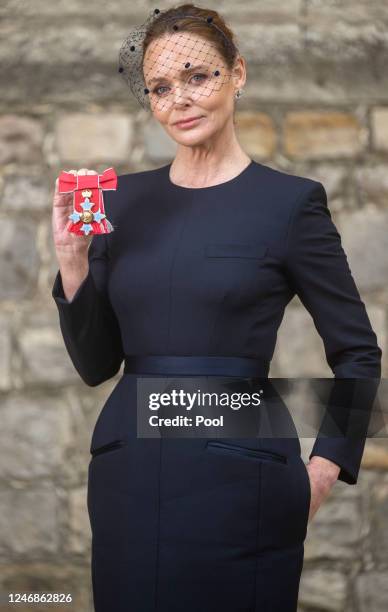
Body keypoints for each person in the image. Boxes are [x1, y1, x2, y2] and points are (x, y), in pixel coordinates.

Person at [51, 4, 382, 611]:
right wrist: (73, 260)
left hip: (245, 484)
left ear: (238, 74)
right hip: (128, 477)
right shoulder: (119, 202)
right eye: (161, 86)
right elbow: (97, 364)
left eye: (198, 76)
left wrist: (327, 464)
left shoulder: (291, 204)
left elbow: (358, 353)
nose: (180, 98)